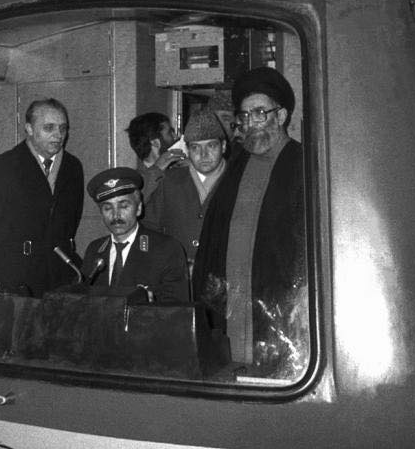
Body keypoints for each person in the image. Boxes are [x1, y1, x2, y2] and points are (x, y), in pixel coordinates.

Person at [191, 66, 306, 372]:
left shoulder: (302, 164)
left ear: (281, 116)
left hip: (278, 303)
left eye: (259, 113)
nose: (251, 123)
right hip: (232, 301)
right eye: (245, 115)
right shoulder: (237, 164)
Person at [0, 98, 84, 297]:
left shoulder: (73, 167)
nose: (58, 135)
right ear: (29, 128)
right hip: (13, 280)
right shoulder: (3, 166)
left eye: (63, 128)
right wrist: (4, 273)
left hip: (60, 278)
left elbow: (71, 222)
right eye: (49, 128)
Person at [81, 167, 189, 302]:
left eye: (124, 206)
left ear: (138, 208)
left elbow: (177, 307)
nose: (116, 215)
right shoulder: (95, 250)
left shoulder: (166, 249)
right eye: (108, 208)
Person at [146, 109, 228, 266]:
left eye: (211, 146)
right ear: (187, 150)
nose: (204, 155)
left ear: (223, 146)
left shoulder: (237, 181)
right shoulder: (169, 181)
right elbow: (150, 229)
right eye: (196, 147)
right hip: (176, 273)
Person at [126, 112, 186, 201]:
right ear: (155, 143)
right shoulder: (134, 181)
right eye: (170, 133)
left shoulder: (180, 170)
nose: (176, 137)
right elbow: (136, 201)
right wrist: (156, 170)